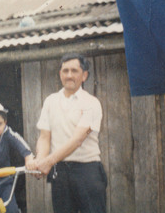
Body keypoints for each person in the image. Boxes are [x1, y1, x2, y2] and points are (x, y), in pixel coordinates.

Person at [34, 54, 107, 213]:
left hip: (87, 171)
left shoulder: (91, 103)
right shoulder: (50, 101)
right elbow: (44, 137)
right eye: (65, 71)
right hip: (60, 173)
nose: (69, 75)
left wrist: (48, 161)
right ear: (60, 74)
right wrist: (40, 160)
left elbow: (77, 140)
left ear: (84, 75)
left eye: (74, 71)